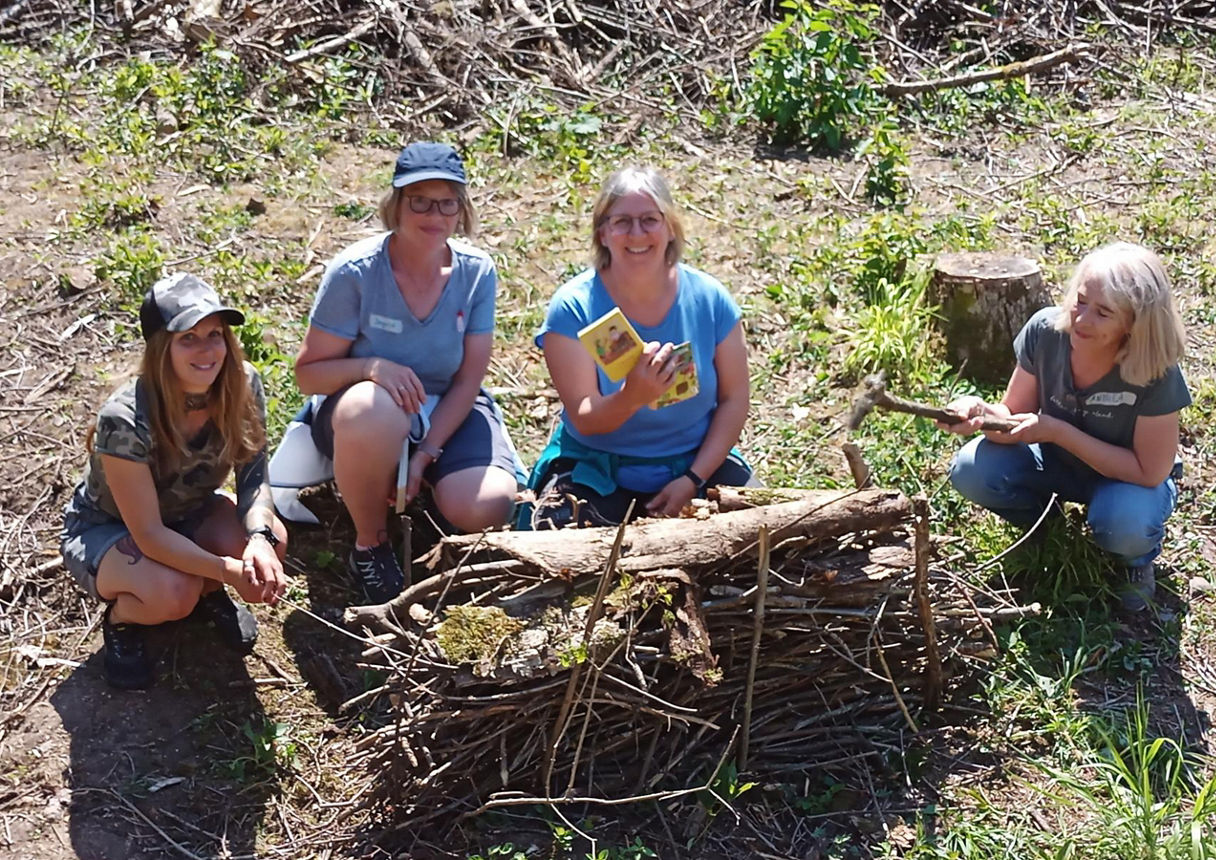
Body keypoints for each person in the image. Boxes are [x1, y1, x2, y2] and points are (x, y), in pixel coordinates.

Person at [295, 141, 517, 603]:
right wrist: (372, 367)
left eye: (446, 202)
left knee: (489, 504)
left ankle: (426, 496)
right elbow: (309, 375)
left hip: (448, 408)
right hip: (363, 411)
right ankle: (370, 543)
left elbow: (470, 378)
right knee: (374, 408)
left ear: (462, 209)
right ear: (396, 203)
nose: (433, 213)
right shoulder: (355, 272)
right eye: (419, 200)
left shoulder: (476, 273)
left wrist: (426, 453)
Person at [60, 273, 289, 690]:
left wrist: (258, 541)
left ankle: (205, 589)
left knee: (273, 537)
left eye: (215, 335)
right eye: (188, 338)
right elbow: (148, 534)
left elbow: (255, 479)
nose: (207, 351)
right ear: (161, 348)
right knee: (172, 594)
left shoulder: (242, 383)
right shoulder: (125, 417)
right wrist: (229, 570)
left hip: (191, 510)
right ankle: (123, 621)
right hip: (112, 527)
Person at [939, 242, 1190, 611]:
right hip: (1055, 463)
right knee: (972, 468)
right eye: (1081, 300)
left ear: (1135, 324)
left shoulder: (1156, 372)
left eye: (1103, 313)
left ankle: (1134, 562)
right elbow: (1013, 416)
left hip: (1128, 482)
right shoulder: (1046, 332)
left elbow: (1149, 471)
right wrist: (980, 413)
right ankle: (1047, 530)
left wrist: (1057, 431)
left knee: (1125, 519)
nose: (1082, 319)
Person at [530, 165, 757, 529]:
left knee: (760, 534)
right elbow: (585, 419)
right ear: (602, 233)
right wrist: (634, 395)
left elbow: (735, 400)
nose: (637, 233)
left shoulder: (710, 299)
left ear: (670, 228)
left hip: (694, 463)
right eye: (622, 221)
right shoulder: (574, 307)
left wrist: (693, 480)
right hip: (599, 466)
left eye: (650, 219)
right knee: (561, 542)